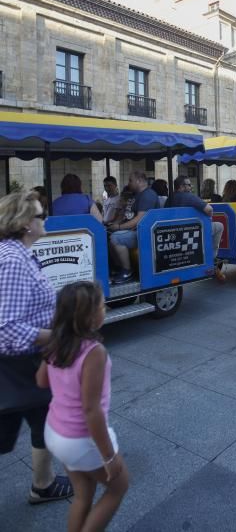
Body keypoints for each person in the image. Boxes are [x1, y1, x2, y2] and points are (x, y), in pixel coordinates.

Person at [37, 281, 128, 531]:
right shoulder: (93, 352)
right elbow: (91, 410)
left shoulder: (57, 342)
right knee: (119, 487)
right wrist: (108, 456)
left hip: (55, 433)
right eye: (101, 305)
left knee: (83, 495)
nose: (105, 308)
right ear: (89, 316)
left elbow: (41, 380)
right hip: (79, 439)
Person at [0, 191, 73, 504]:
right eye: (41, 215)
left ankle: (42, 484)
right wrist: (56, 336)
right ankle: (42, 484)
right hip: (17, 363)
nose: (46, 220)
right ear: (26, 223)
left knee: (44, 415)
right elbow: (7, 328)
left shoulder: (19, 253)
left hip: (26, 361)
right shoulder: (14, 261)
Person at [171, 175, 226, 282]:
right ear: (181, 187)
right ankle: (212, 256)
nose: (191, 187)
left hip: (175, 232)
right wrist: (208, 218)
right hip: (192, 232)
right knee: (219, 226)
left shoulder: (170, 198)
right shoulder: (188, 196)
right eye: (189, 185)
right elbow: (209, 210)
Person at [108, 171, 159, 284]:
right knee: (108, 235)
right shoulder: (135, 195)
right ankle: (119, 267)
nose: (129, 183)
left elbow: (139, 219)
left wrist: (119, 227)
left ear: (139, 181)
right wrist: (113, 224)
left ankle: (127, 271)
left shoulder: (148, 195)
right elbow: (126, 215)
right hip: (134, 231)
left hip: (144, 234)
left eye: (130, 180)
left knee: (116, 238)